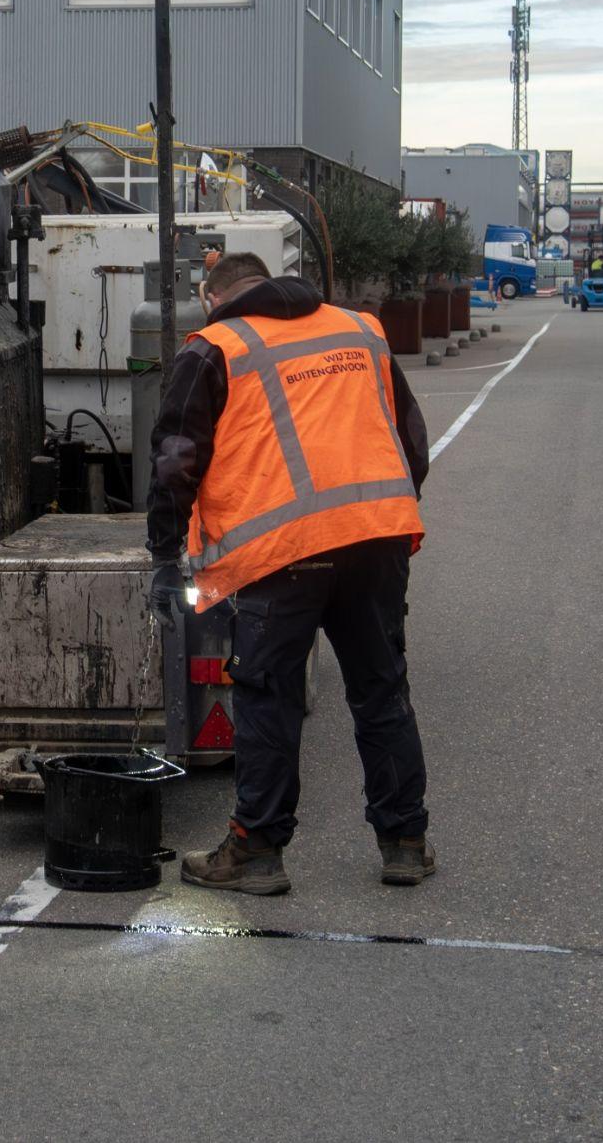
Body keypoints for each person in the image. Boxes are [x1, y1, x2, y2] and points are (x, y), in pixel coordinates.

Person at [147, 251, 433, 895]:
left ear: (211, 296)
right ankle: (405, 843)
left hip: (283, 557)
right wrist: (381, 514)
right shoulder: (359, 329)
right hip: (375, 539)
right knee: (381, 690)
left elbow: (175, 460)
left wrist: (165, 559)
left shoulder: (214, 346)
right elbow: (410, 438)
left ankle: (257, 853)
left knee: (267, 702)